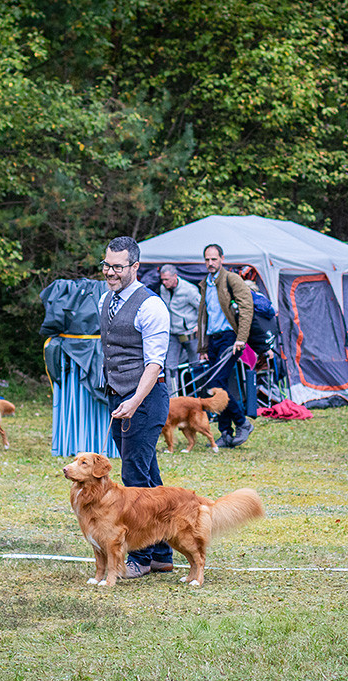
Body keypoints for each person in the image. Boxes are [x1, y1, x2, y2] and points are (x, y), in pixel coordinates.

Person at [98, 236, 174, 578]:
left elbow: (154, 363)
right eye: (107, 265)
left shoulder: (151, 306)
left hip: (145, 400)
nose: (110, 272)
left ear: (135, 267)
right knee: (149, 477)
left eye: (118, 266)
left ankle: (140, 559)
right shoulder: (105, 299)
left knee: (133, 478)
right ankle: (162, 554)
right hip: (120, 398)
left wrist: (134, 401)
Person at [197, 244, 255, 448]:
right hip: (213, 340)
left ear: (222, 259)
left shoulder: (231, 279)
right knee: (218, 386)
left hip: (230, 338)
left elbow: (247, 307)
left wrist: (241, 338)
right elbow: (203, 317)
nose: (210, 263)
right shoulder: (206, 283)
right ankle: (226, 433)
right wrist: (203, 348)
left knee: (216, 385)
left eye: (213, 259)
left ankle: (242, 423)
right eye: (207, 260)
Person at [158, 264, 201, 392]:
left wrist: (199, 326)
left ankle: (197, 394)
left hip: (190, 332)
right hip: (172, 333)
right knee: (170, 366)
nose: (164, 283)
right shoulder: (163, 289)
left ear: (175, 277)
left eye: (167, 279)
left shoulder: (189, 290)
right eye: (162, 280)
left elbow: (202, 309)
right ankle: (173, 397)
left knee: (195, 364)